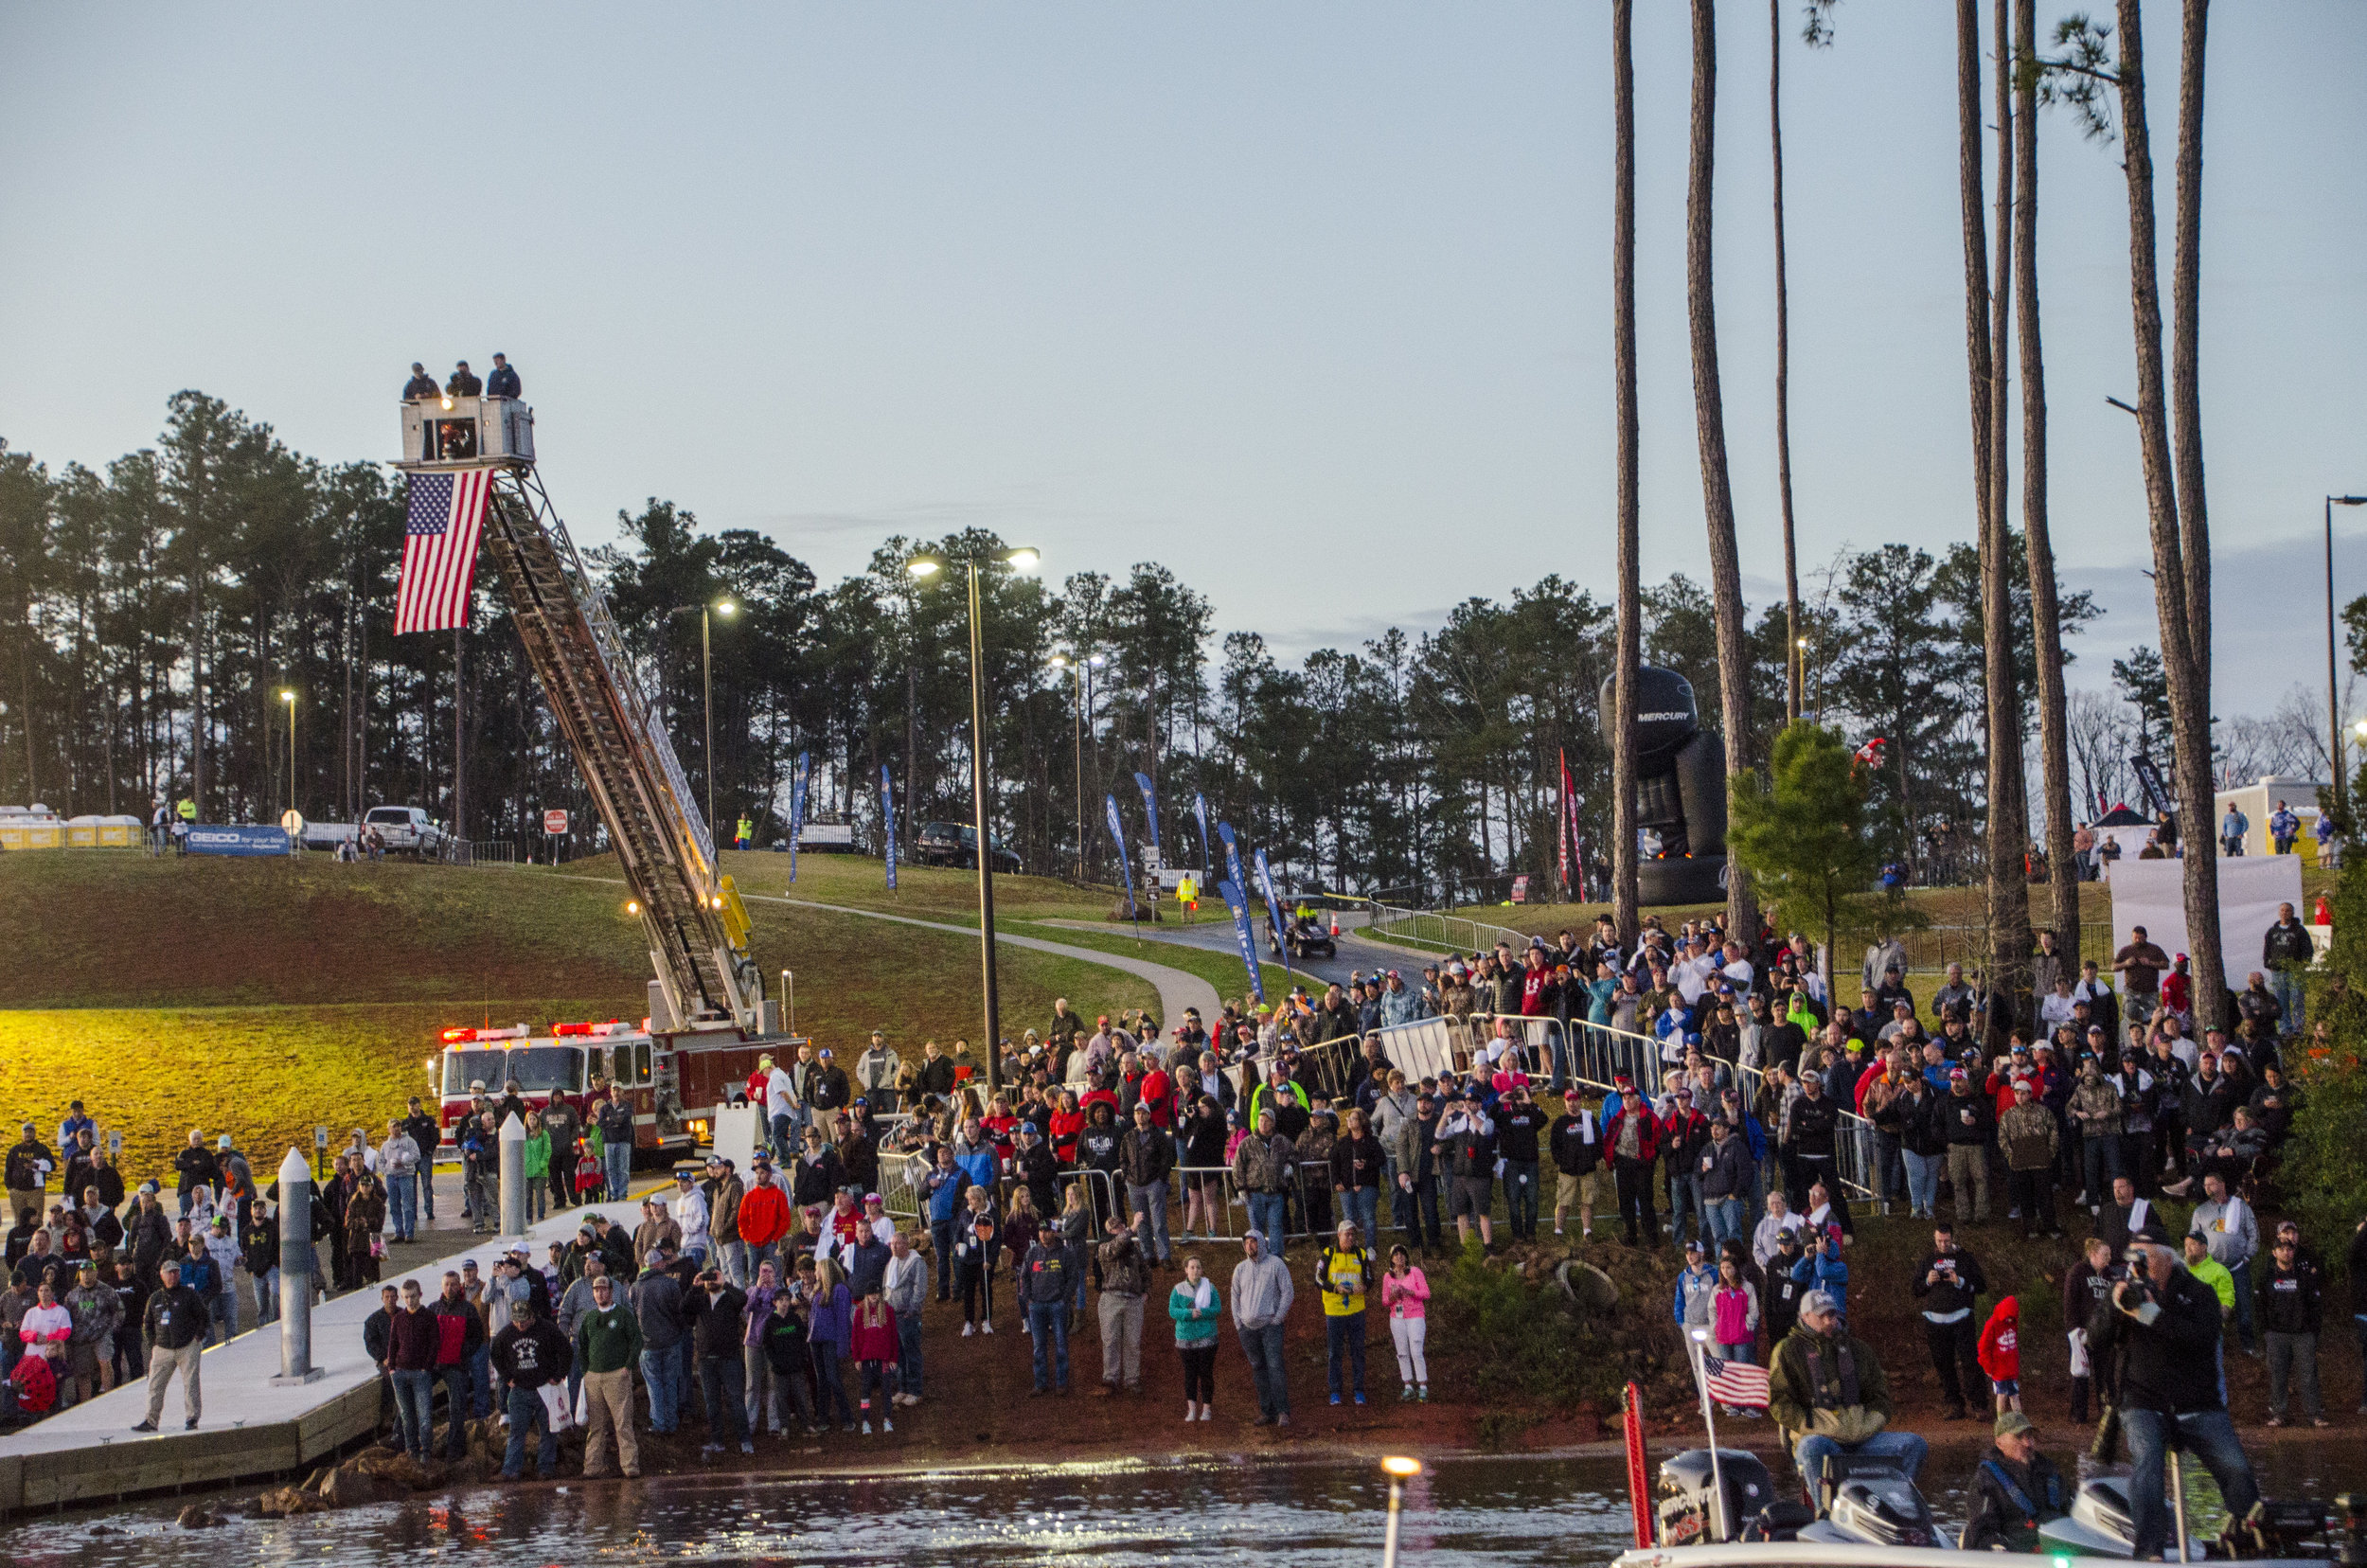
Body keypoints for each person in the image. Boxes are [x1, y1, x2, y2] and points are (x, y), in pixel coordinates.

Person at [2087, 1235, 2260, 1560]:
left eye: (2146, 1258)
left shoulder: (2199, 1292)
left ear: (2168, 1259)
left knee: (2235, 1468)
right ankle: (2149, 1550)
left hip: (2196, 1402)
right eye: (2133, 1258)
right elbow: (2095, 1339)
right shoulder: (2124, 1290)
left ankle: (2252, 1540)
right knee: (2148, 1461)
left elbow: (2203, 1338)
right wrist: (2115, 1306)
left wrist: (2154, 1315)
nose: (2139, 1265)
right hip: (2142, 1400)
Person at [1770, 1288, 1926, 1485]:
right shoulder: (1787, 1350)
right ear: (1805, 1317)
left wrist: (1864, 1425)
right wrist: (1812, 1423)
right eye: (1821, 1315)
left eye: (1832, 1314)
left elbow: (1881, 1398)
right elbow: (1779, 1403)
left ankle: (1898, 1503)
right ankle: (1823, 1510)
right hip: (1821, 1439)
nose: (1828, 1321)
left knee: (1914, 1445)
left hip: (1862, 1439)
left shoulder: (1859, 1349)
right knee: (1811, 1448)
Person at [1912, 1221, 1989, 1421]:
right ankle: (1954, 1404)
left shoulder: (1965, 1258)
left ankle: (1979, 1404)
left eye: (1946, 1241)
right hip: (1934, 1320)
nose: (1943, 1245)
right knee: (1943, 1364)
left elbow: (1981, 1286)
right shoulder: (1928, 1259)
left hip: (1962, 1317)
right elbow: (1916, 1289)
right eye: (1939, 1241)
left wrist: (1960, 1281)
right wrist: (1928, 1280)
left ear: (1952, 1238)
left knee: (1971, 1361)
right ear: (1934, 1239)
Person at [1960, 1410, 2068, 1551]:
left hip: (2056, 1549)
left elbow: (2073, 1514)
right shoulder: (1986, 1481)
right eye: (2019, 1437)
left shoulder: (2050, 1472)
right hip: (2015, 1556)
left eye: (2029, 1436)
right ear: (1999, 1443)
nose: (2028, 1443)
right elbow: (1982, 1533)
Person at [489, 1294, 571, 1479]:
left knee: (549, 1430)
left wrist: (559, 1375)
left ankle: (545, 1468)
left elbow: (566, 1350)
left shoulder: (547, 1328)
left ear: (532, 1317)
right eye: (517, 1321)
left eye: (524, 1321)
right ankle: (510, 1471)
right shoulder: (507, 1333)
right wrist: (506, 1375)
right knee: (517, 1431)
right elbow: (494, 1353)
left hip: (544, 1387)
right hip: (520, 1389)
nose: (520, 1325)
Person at [573, 1271, 644, 1477]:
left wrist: (627, 1366)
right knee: (596, 1425)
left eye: (604, 1289)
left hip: (617, 1375)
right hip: (594, 1377)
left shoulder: (622, 1315)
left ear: (611, 1292)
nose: (600, 1293)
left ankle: (630, 1466)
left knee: (623, 1423)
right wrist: (585, 1371)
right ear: (593, 1294)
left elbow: (636, 1341)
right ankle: (592, 1467)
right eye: (597, 1290)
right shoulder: (590, 1318)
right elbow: (582, 1346)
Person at [2257, 1229, 2326, 1427]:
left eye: (2290, 1249)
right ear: (2274, 1253)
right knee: (2278, 1375)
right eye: (2282, 1249)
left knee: (2308, 1375)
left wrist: (2313, 1331)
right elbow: (2260, 1305)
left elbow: (2316, 1305)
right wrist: (2267, 1331)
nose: (2286, 1252)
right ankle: (2279, 1414)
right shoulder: (2267, 1276)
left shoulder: (2305, 1276)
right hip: (2276, 1334)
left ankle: (2314, 1415)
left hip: (2303, 1334)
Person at [131, 1256, 207, 1433]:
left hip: (187, 1346)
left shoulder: (189, 1295)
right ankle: (151, 1420)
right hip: (162, 1348)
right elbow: (147, 1324)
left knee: (191, 1384)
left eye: (176, 1272)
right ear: (162, 1275)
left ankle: (192, 1418)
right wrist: (153, 1344)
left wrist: (198, 1337)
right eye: (170, 1273)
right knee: (155, 1386)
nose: (173, 1276)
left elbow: (203, 1316)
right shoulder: (155, 1298)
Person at [1232, 1229, 1294, 1427]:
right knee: (1258, 1368)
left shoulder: (1276, 1264)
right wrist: (1238, 1323)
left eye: (1253, 1242)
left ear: (1261, 1242)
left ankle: (1282, 1412)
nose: (1250, 1246)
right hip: (1247, 1329)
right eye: (1247, 1243)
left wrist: (1278, 1318)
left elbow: (1288, 1292)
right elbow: (1234, 1296)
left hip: (1270, 1326)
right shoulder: (1240, 1269)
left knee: (1275, 1366)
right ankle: (1266, 1411)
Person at [1316, 1220, 1373, 1407]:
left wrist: (1363, 1287)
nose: (1350, 1237)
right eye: (1346, 1234)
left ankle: (1358, 1390)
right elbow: (1317, 1279)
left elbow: (1370, 1280)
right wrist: (1335, 1288)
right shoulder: (1328, 1253)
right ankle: (1335, 1391)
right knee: (1335, 1352)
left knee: (1358, 1351)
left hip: (1356, 1310)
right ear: (1338, 1235)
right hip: (1334, 1311)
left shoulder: (1361, 1253)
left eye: (1352, 1234)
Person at [1095, 1212, 1151, 1396]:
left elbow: (1145, 1271)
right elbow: (1117, 1245)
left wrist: (1146, 1292)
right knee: (1110, 1340)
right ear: (1110, 1231)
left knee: (1132, 1342)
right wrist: (1133, 1227)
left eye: (1122, 1226)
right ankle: (1110, 1377)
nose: (1121, 1230)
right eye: (1117, 1227)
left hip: (1133, 1299)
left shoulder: (1134, 1250)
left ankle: (1131, 1379)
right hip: (1111, 1297)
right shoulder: (1104, 1247)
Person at [1020, 1221, 1078, 1396]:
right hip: (1037, 1305)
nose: (1044, 1234)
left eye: (1047, 1231)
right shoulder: (1032, 1253)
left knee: (1061, 1345)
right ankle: (1040, 1383)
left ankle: (1061, 1383)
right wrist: (1028, 1299)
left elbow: (1073, 1278)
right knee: (1039, 1346)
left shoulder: (1066, 1254)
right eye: (1041, 1231)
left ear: (1055, 1232)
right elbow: (1024, 1278)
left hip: (1057, 1304)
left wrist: (1064, 1299)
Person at [1169, 1253, 1223, 1421]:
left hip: (1207, 1337)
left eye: (1198, 1267)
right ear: (1186, 1270)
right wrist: (1188, 1313)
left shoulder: (1210, 1287)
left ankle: (1206, 1409)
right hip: (1185, 1339)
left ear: (1202, 1270)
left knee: (1206, 1373)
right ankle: (1191, 1410)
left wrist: (1202, 1313)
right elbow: (1173, 1311)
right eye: (1192, 1267)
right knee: (1190, 1374)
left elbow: (1217, 1308)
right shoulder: (1178, 1289)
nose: (1195, 1270)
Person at [1381, 1243, 1430, 1403]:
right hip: (1397, 1317)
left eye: (1402, 1254)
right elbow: (1384, 1301)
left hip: (1415, 1315)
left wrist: (1410, 1292)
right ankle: (1407, 1384)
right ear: (1391, 1259)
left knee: (1416, 1350)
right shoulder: (1388, 1277)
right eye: (1395, 1254)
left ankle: (1422, 1385)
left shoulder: (1415, 1272)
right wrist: (1393, 1297)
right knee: (1402, 1352)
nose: (1399, 1257)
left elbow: (1426, 1293)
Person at [1976, 1294, 2022, 1417]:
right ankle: (2001, 1421)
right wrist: (1988, 1366)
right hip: (1998, 1369)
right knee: (2001, 1395)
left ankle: (2019, 1419)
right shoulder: (1992, 1325)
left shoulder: (2012, 1323)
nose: (2010, 1321)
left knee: (2015, 1395)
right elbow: (1983, 1348)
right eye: (2008, 1318)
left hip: (2011, 1369)